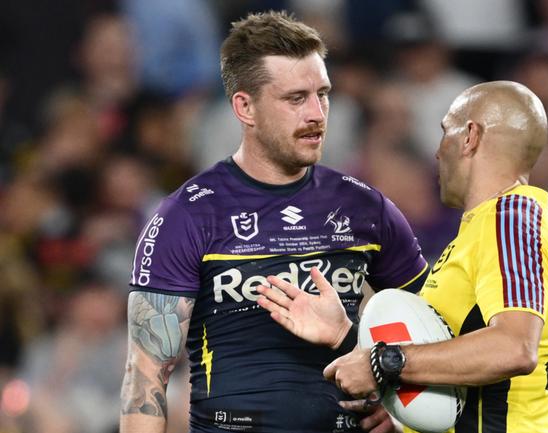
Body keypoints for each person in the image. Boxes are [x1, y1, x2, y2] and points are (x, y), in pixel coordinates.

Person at [119, 11, 429, 433]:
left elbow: (433, 334)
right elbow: (146, 375)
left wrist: (397, 408)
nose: (317, 114)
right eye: (296, 98)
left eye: (324, 94)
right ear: (244, 107)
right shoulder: (188, 215)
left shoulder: (365, 208)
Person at [257, 81, 548, 432]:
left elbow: (514, 347)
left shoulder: (509, 218)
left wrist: (382, 364)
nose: (438, 152)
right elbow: (455, 360)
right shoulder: (489, 228)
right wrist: (346, 336)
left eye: (445, 132)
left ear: (470, 137)